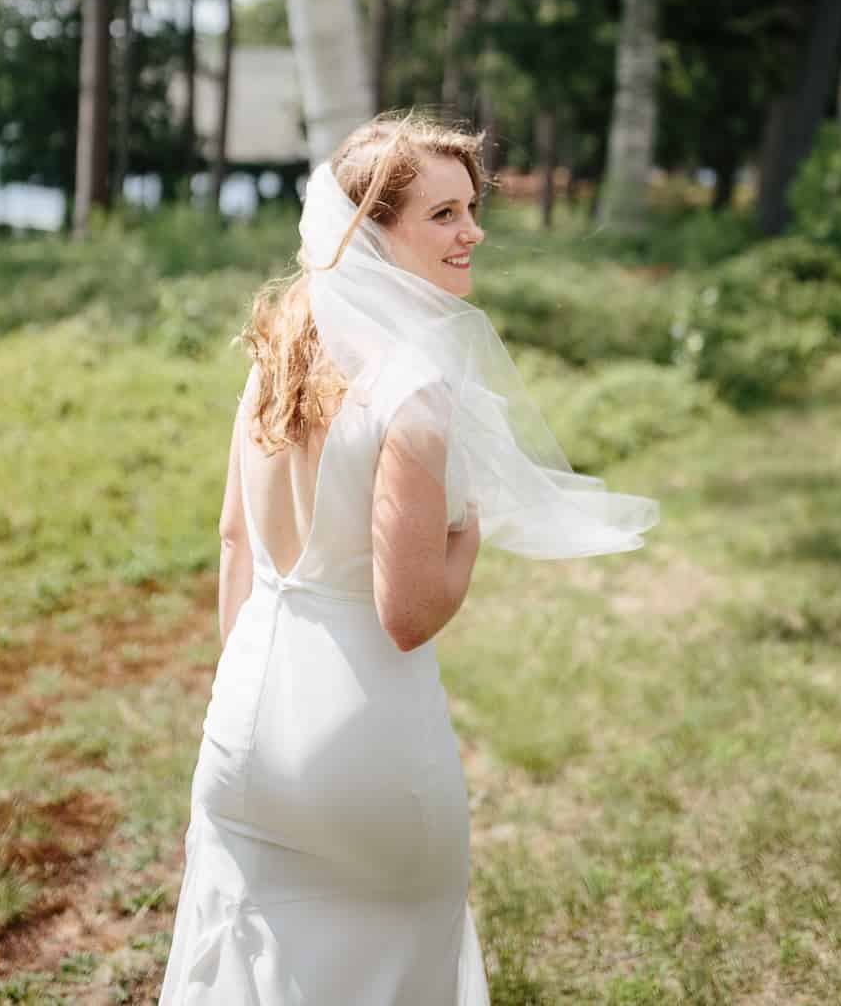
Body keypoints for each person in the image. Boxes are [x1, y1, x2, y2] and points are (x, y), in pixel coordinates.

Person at [159, 113, 658, 1004]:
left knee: (247, 964)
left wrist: (234, 687)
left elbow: (235, 538)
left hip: (242, 720)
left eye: (471, 209)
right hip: (364, 738)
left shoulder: (275, 361)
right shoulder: (412, 390)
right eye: (442, 215)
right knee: (392, 968)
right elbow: (407, 611)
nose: (473, 231)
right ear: (370, 233)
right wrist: (466, 541)